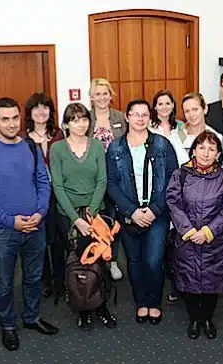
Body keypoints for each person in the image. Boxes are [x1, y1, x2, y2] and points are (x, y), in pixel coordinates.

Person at [0, 97, 58, 351]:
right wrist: (11, 221)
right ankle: (8, 325)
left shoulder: (30, 147)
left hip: (35, 226)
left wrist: (40, 213)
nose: (11, 124)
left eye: (15, 118)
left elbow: (43, 182)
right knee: (5, 282)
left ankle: (31, 317)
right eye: (5, 119)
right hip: (2, 231)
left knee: (33, 277)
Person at [106, 99, 178, 325]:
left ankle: (154, 303)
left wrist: (155, 210)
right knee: (134, 261)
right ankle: (141, 302)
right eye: (135, 114)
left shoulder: (162, 145)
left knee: (154, 261)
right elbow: (111, 183)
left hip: (156, 212)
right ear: (126, 117)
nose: (139, 118)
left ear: (149, 117)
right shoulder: (116, 147)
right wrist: (131, 211)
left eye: (144, 114)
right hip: (129, 214)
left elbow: (173, 180)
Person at [49, 102, 117, 330]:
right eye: (75, 120)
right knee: (77, 264)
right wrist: (76, 219)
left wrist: (91, 212)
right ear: (66, 124)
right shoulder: (57, 149)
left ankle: (102, 306)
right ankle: (83, 309)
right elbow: (57, 186)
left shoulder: (97, 146)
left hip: (95, 213)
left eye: (84, 119)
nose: (81, 124)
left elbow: (102, 180)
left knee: (100, 260)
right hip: (68, 215)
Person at [167, 131, 223, 340]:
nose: (206, 153)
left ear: (218, 154)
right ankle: (194, 319)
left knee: (211, 283)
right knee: (188, 282)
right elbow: (173, 202)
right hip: (187, 239)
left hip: (214, 241)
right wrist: (188, 230)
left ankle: (206, 318)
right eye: (201, 147)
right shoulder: (180, 174)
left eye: (211, 149)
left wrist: (208, 232)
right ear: (194, 150)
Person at [149, 89, 190, 304]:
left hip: (181, 185)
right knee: (162, 237)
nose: (164, 107)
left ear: (173, 106)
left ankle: (179, 279)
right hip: (157, 188)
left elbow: (185, 155)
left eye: (168, 103)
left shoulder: (181, 128)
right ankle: (166, 276)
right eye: (160, 104)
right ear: (154, 107)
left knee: (178, 236)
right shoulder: (149, 128)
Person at [23, 92, 64, 300]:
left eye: (45, 107)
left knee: (58, 238)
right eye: (36, 108)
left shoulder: (59, 134)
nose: (41, 112)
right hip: (34, 195)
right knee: (39, 239)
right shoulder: (22, 138)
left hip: (59, 193)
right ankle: (45, 279)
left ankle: (61, 279)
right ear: (30, 112)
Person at [89, 78, 127, 280]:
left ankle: (112, 260)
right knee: (95, 219)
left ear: (110, 95)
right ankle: (95, 258)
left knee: (114, 220)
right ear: (92, 97)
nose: (102, 98)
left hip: (116, 178)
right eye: (98, 94)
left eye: (105, 93)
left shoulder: (120, 117)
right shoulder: (86, 119)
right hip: (92, 179)